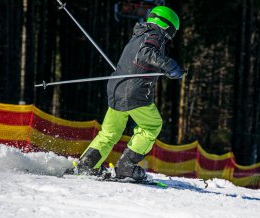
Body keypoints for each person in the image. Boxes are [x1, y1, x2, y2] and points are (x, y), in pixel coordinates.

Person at [71, 6, 185, 181]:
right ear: (168, 26)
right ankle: (127, 166)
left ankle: (87, 165)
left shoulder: (139, 35)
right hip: (135, 92)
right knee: (151, 125)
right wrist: (170, 66)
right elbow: (146, 53)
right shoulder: (155, 35)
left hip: (117, 88)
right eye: (173, 31)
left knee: (110, 132)